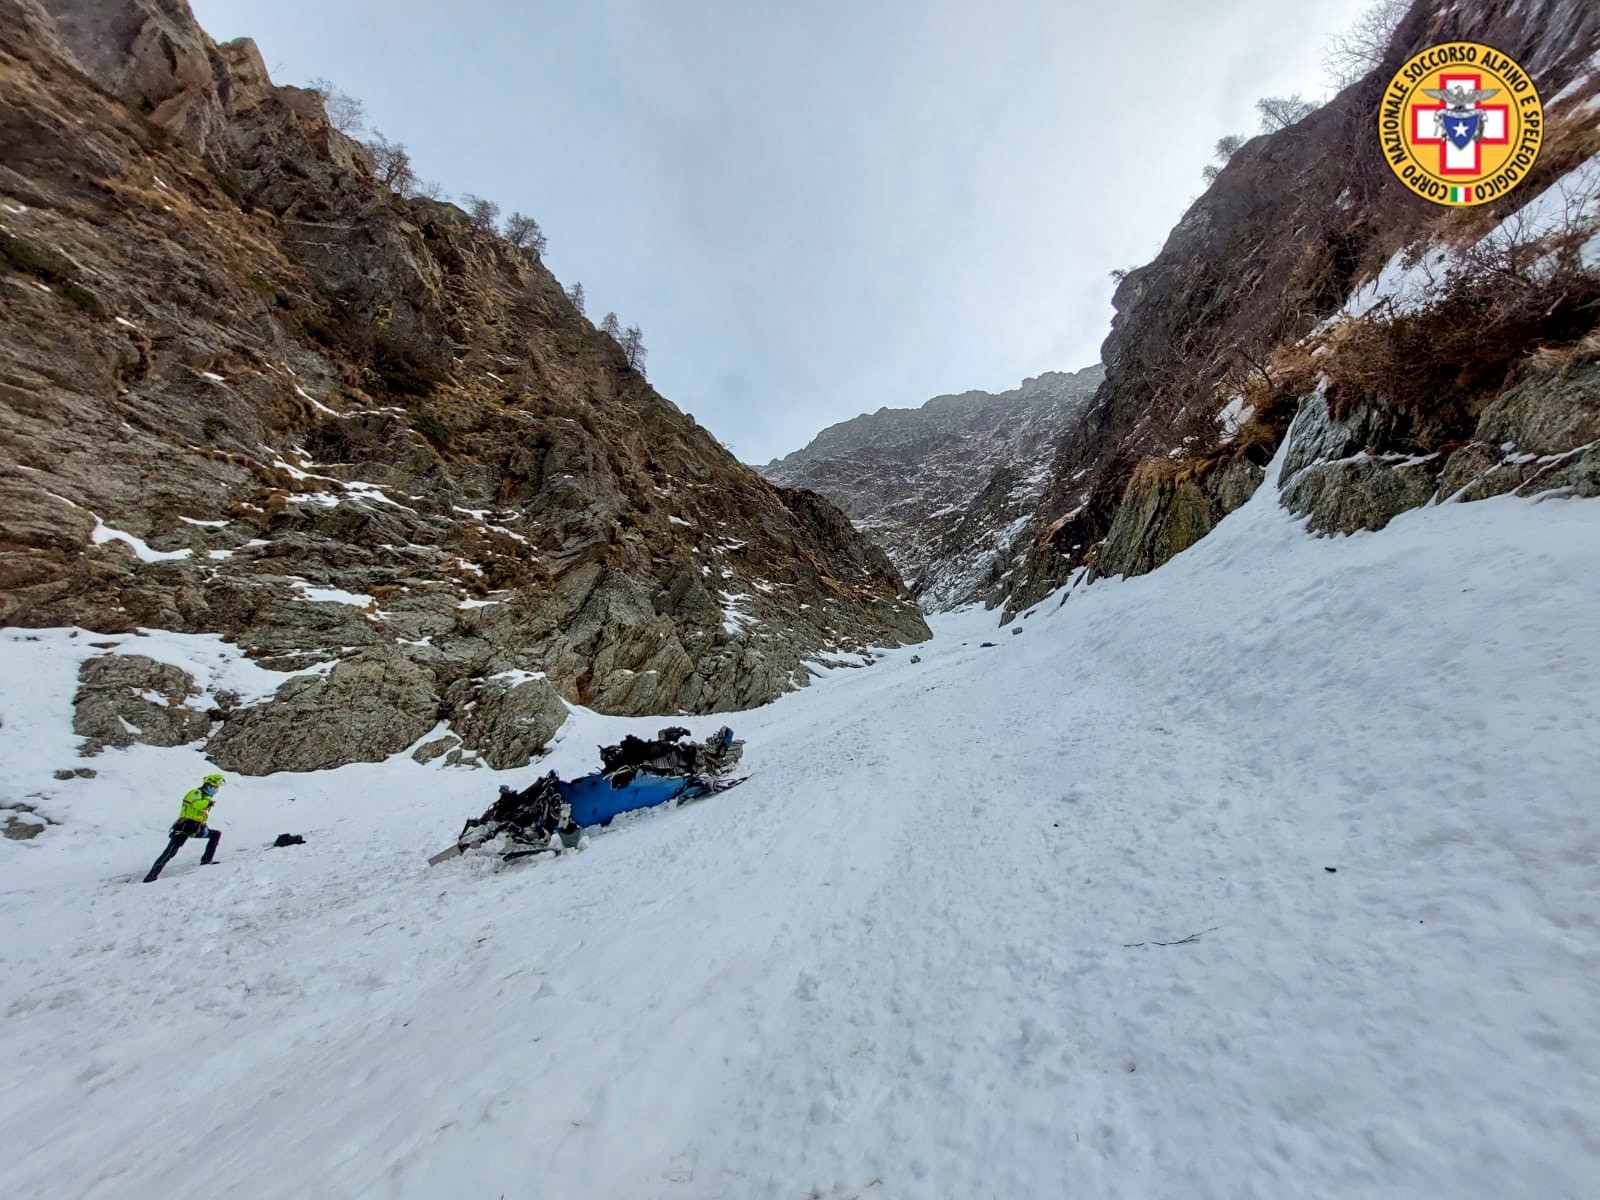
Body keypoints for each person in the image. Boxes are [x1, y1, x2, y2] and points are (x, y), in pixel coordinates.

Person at [142, 773, 224, 883]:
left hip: (197, 827)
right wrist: (208, 799)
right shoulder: (195, 793)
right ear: (208, 786)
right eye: (215, 787)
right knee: (170, 852)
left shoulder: (205, 797)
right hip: (184, 827)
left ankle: (206, 860)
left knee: (215, 834)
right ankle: (151, 876)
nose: (216, 790)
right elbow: (197, 805)